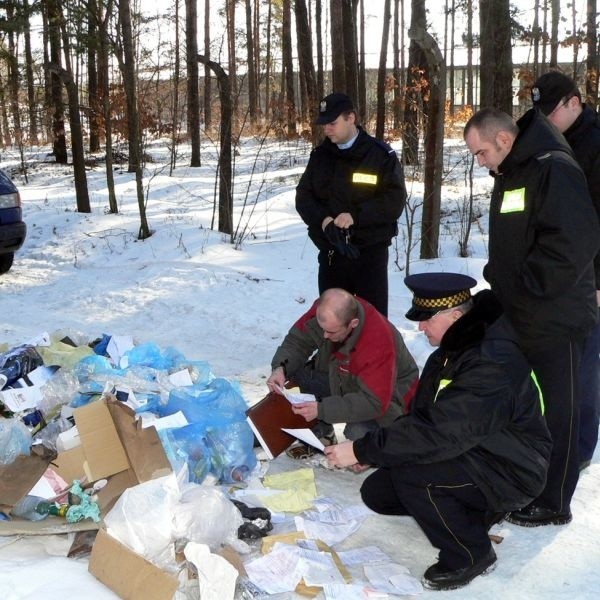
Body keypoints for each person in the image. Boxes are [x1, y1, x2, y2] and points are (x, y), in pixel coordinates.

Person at [324, 273, 552, 591]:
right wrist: (375, 451)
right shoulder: (450, 351)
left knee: (414, 477)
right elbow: (422, 419)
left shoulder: (491, 361)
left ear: (454, 316)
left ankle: (471, 554)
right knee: (378, 492)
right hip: (476, 450)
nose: (420, 327)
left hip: (513, 467)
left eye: (426, 319)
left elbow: (439, 432)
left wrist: (362, 449)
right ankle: (474, 511)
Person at [462, 107, 599, 526]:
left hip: (556, 317)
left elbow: (574, 244)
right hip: (521, 310)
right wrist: (496, 282)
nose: (479, 161)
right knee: (519, 401)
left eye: (481, 151)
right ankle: (518, 477)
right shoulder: (513, 172)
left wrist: (525, 288)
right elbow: (515, 242)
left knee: (561, 410)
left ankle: (555, 502)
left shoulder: (553, 169)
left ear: (503, 140)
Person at [531, 70, 600, 471]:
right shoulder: (553, 141)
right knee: (560, 364)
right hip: (557, 271)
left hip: (588, 278)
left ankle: (579, 448)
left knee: (584, 364)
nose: (545, 119)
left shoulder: (593, 144)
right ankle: (557, 434)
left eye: (551, 110)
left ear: (574, 102)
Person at [266, 288, 418, 455]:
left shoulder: (378, 341)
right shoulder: (327, 311)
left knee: (357, 433)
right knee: (294, 378)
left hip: (387, 398)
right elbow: (298, 341)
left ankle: (387, 447)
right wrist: (280, 367)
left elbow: (375, 403)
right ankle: (323, 434)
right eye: (322, 328)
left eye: (331, 332)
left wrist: (322, 409)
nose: (324, 336)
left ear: (353, 324)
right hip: (344, 377)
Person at [295, 93, 407, 317]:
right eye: (324, 124)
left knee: (372, 321)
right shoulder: (320, 156)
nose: (327, 129)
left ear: (351, 118)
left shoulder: (379, 156)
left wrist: (356, 216)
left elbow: (393, 201)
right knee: (332, 320)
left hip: (369, 255)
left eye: (332, 123)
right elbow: (303, 197)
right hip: (332, 253)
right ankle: (335, 354)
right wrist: (324, 220)